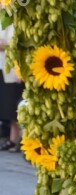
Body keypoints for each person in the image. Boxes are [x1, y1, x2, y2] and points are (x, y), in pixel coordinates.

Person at [0, 24, 22, 152]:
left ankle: (17, 138)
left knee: (13, 105)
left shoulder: (15, 18)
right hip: (3, 66)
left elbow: (20, 43)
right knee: (7, 106)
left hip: (14, 69)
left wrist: (6, 45)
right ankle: (13, 138)